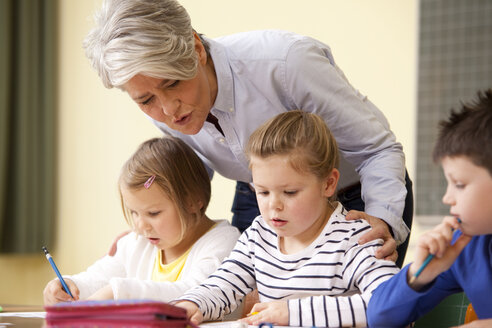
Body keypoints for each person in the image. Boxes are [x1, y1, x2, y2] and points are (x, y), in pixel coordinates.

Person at [83, 0, 413, 266]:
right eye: (146, 99)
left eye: (172, 84)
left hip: (359, 193)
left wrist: (381, 217)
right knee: (249, 305)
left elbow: (378, 149)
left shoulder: (286, 64)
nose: (168, 111)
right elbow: (190, 177)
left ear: (196, 49)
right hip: (258, 195)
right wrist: (147, 224)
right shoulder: (163, 107)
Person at [174, 111, 400, 327]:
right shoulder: (258, 235)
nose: (274, 205)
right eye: (262, 192)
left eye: (290, 192)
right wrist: (193, 304)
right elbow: (223, 283)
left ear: (329, 183)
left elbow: (392, 304)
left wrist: (292, 312)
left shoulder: (355, 239)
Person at [43, 137, 240, 305]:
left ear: (193, 202)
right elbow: (97, 279)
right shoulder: (138, 242)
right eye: (134, 213)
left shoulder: (224, 242)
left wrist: (117, 291)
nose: (140, 226)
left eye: (153, 213)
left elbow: (197, 293)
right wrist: (68, 285)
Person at [367, 90, 492, 327]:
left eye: (459, 184)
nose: (447, 198)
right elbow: (379, 318)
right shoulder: (464, 247)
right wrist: (419, 274)